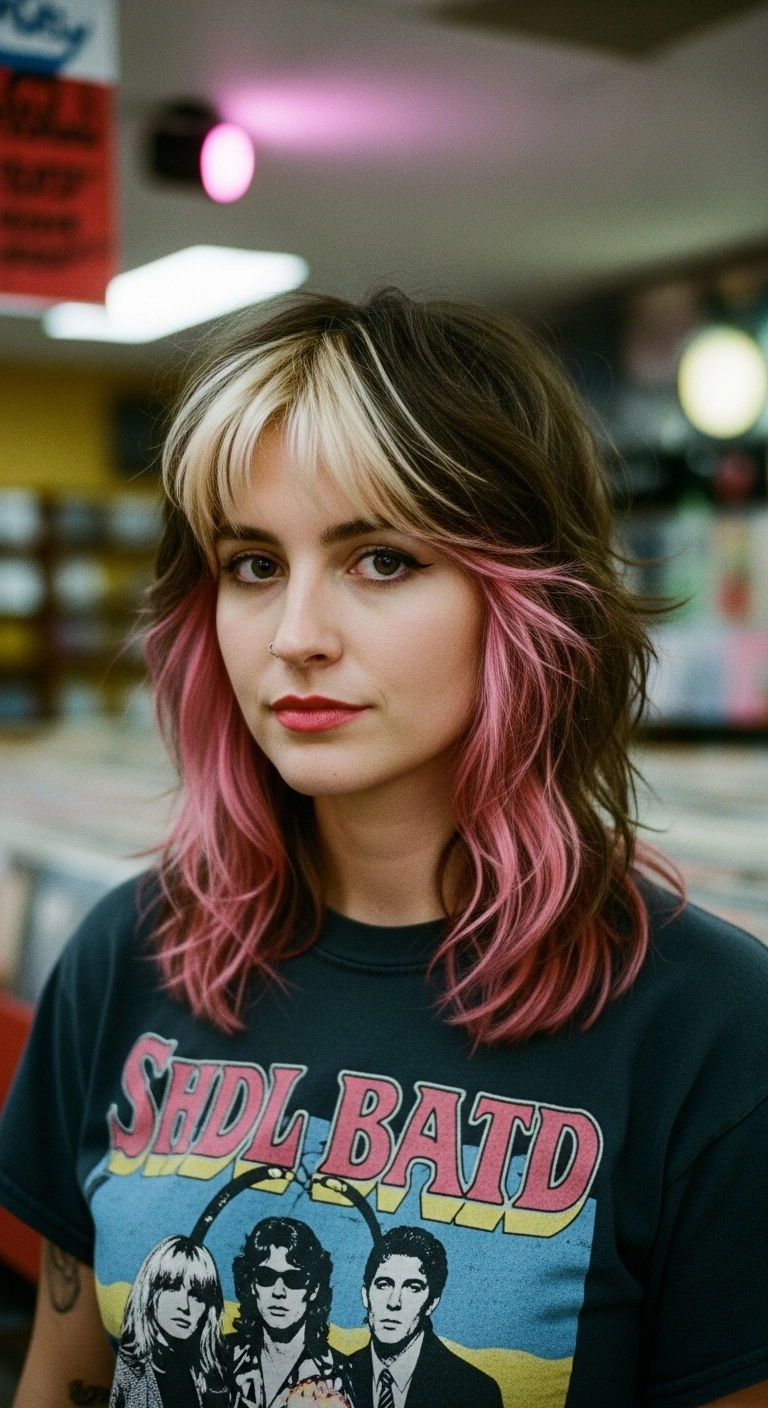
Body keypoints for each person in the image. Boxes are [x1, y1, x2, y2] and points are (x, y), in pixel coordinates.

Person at [0, 290, 767, 1408]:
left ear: (523, 601)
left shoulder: (706, 1028)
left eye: (382, 559)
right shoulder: (128, 953)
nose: (298, 635)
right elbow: (69, 1380)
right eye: (254, 564)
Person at [349, 1226, 501, 1408]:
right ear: (366, 1295)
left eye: (413, 1287)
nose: (394, 1302)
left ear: (432, 1303)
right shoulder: (335, 1376)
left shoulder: (475, 1392)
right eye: (384, 1284)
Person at [229, 1217, 352, 1407]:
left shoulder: (340, 1375)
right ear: (252, 1284)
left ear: (314, 1289)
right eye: (266, 1277)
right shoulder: (221, 1357)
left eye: (293, 1279)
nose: (278, 1292)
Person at [110, 1235, 228, 1408]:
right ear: (150, 1293)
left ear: (209, 1309)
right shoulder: (123, 1374)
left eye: (196, 1295)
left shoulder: (206, 1379)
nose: (184, 1306)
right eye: (173, 1287)